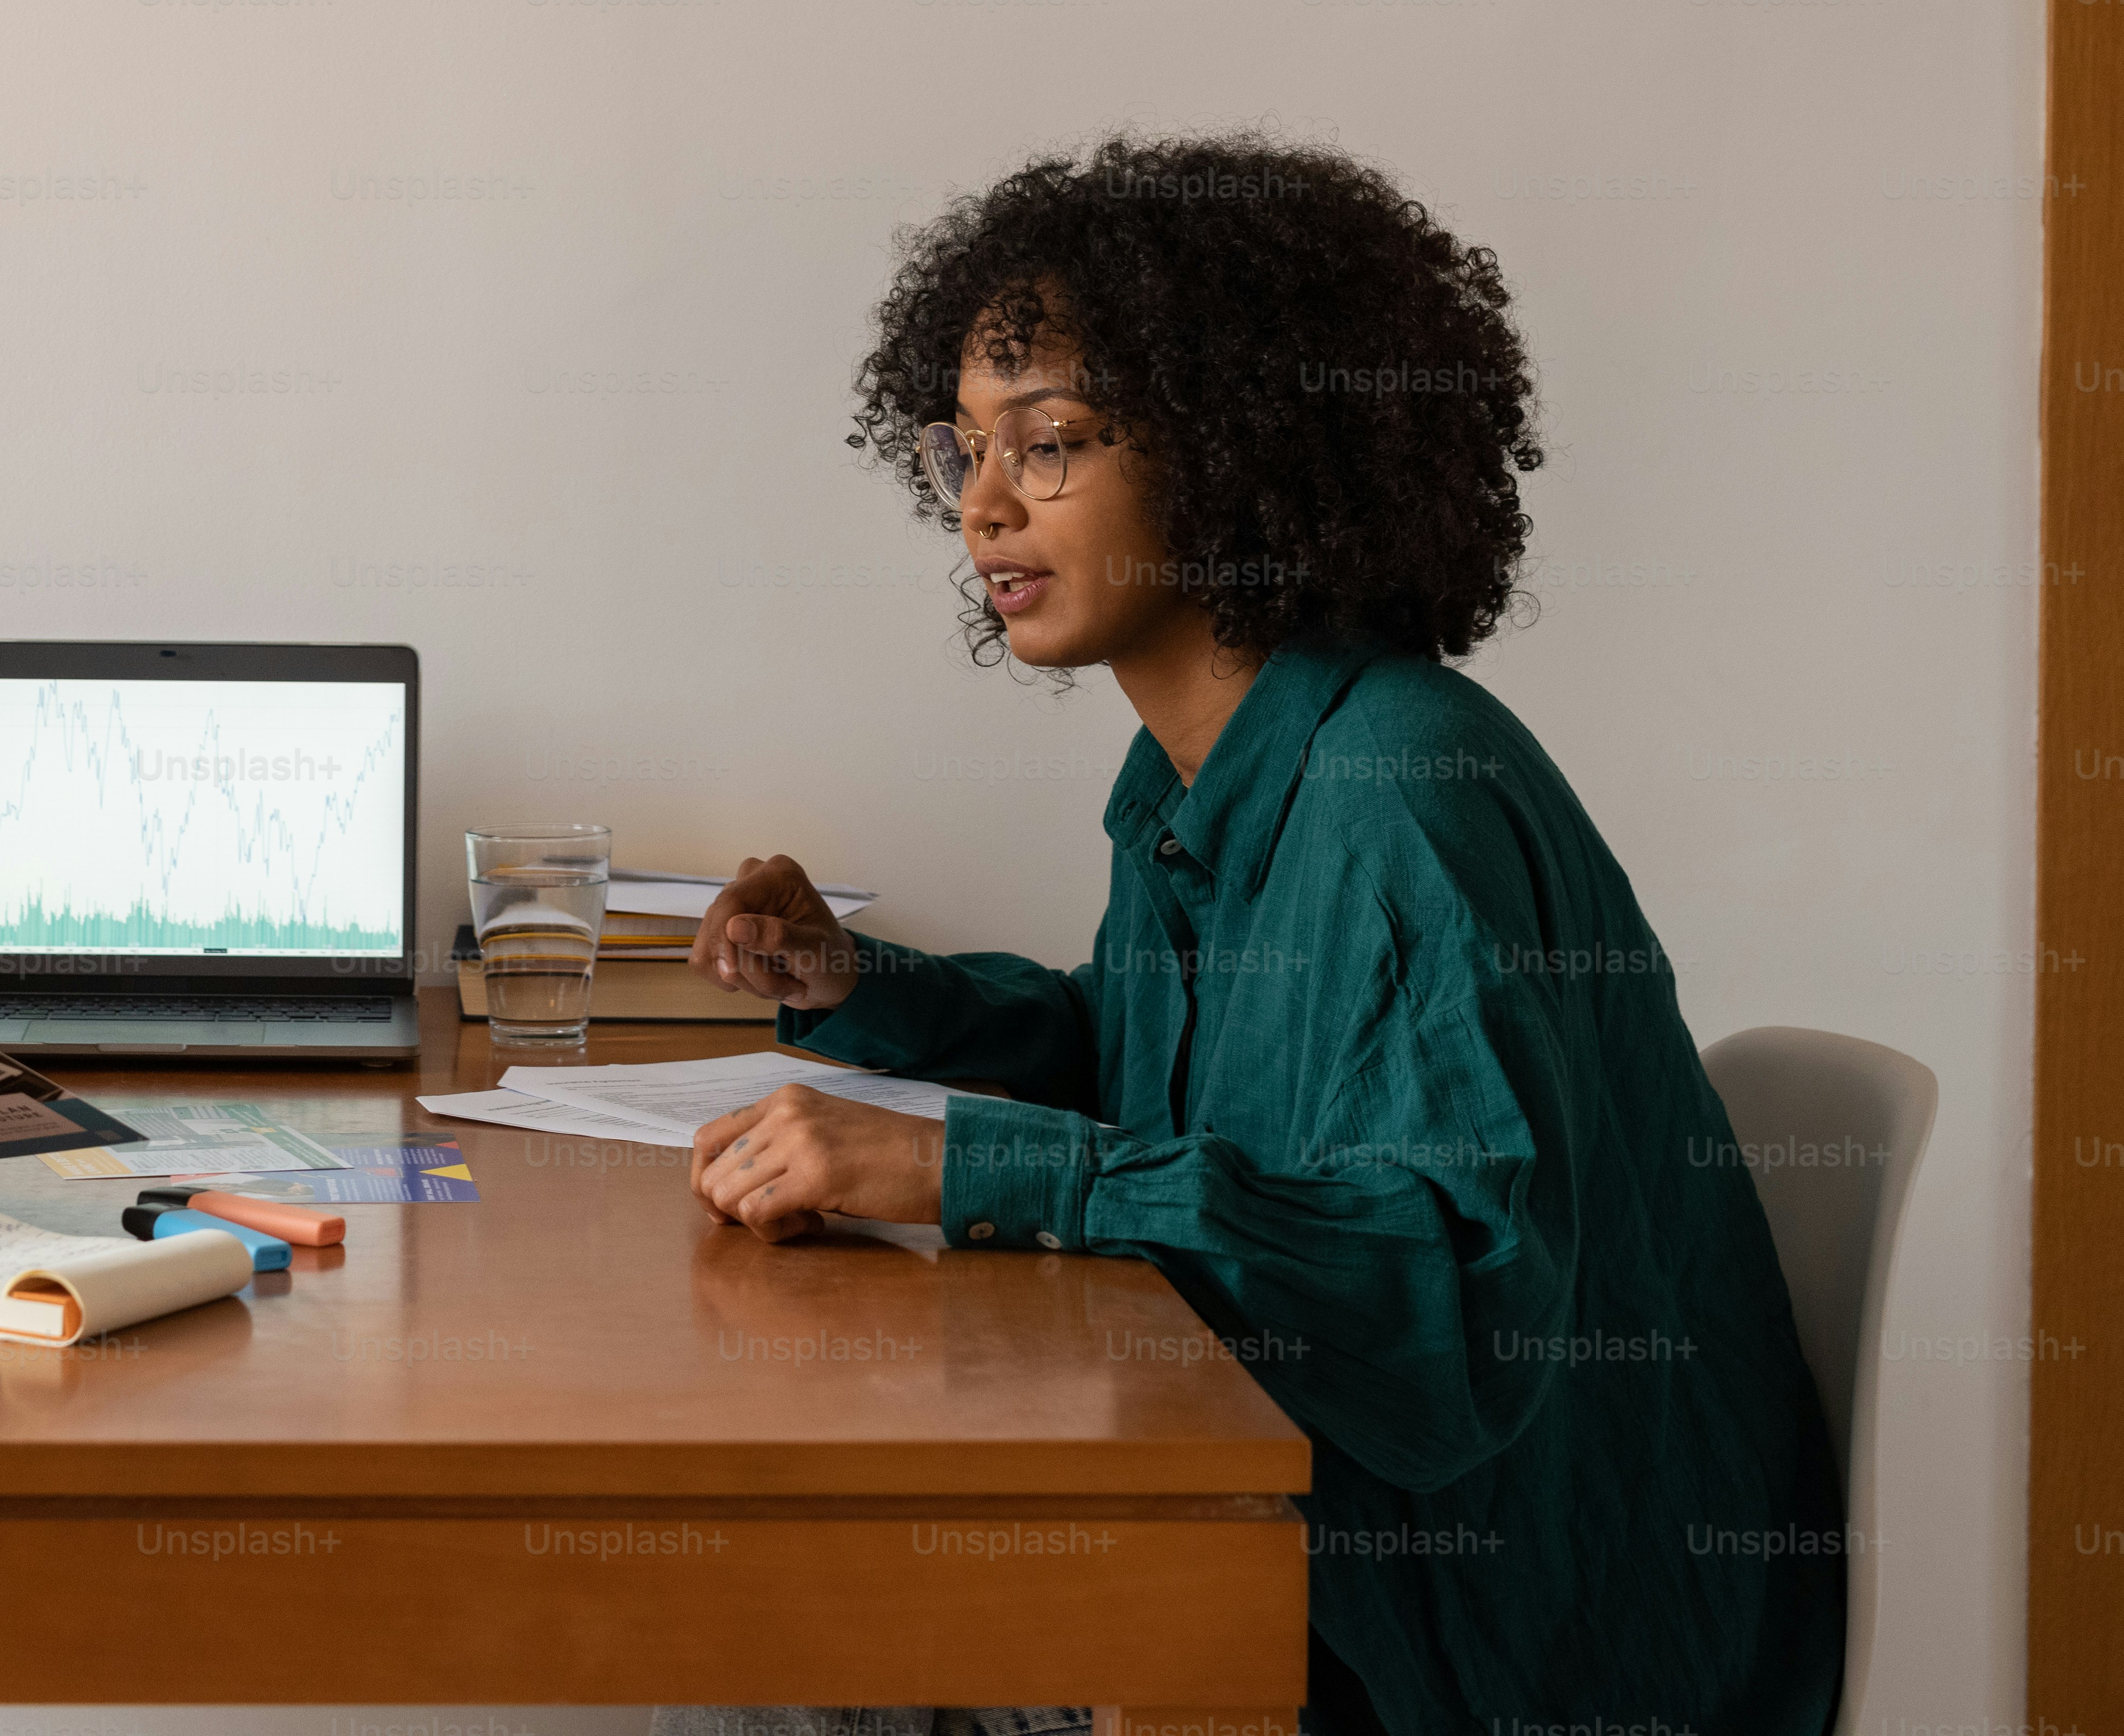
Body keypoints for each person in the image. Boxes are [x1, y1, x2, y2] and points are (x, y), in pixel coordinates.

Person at [666, 137, 1845, 1736]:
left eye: (1050, 442)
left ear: (1237, 447)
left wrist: (968, 1166)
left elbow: (1446, 1300)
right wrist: (861, 987)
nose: (985, 506)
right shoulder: (1207, 774)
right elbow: (1144, 1056)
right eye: (965, 453)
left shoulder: (1398, 794)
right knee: (774, 1590)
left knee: (759, 1624)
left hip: (1485, 1642)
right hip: (1329, 1537)